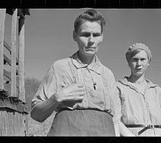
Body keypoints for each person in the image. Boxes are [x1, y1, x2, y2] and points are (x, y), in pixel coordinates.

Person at [30, 8, 122, 136]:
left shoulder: (108, 74)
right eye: (85, 34)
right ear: (75, 35)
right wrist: (56, 98)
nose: (91, 41)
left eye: (96, 35)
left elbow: (116, 120)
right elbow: (36, 115)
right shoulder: (59, 67)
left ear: (102, 37)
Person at [116, 43, 161, 136]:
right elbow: (116, 120)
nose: (139, 64)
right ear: (129, 62)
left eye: (142, 59)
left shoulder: (157, 90)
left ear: (148, 62)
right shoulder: (118, 88)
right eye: (134, 59)